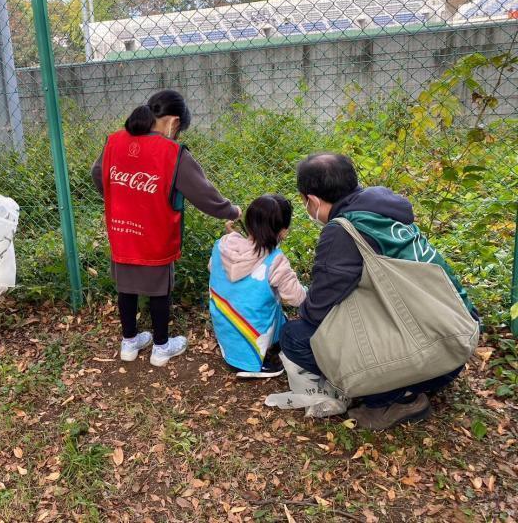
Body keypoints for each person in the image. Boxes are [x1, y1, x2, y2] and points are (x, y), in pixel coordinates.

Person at [280, 153, 478, 430]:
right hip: (457, 340)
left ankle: (397, 398)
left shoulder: (343, 231)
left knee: (295, 336)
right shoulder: (384, 210)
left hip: (433, 353)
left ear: (311, 200)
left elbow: (317, 310)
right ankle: (412, 380)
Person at [91, 90, 240, 367]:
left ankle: (129, 342)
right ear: (173, 122)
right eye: (179, 129)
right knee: (160, 289)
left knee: (126, 286)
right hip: (155, 232)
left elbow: (98, 174)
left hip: (122, 229)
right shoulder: (172, 153)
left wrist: (118, 197)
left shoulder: (114, 141)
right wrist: (232, 211)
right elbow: (204, 194)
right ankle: (160, 347)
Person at [209, 194, 306, 378]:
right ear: (283, 231)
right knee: (276, 304)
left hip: (226, 330)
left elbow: (214, 268)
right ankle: (258, 363)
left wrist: (233, 236)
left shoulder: (223, 246)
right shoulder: (275, 261)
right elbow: (296, 298)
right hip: (254, 347)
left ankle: (241, 351)